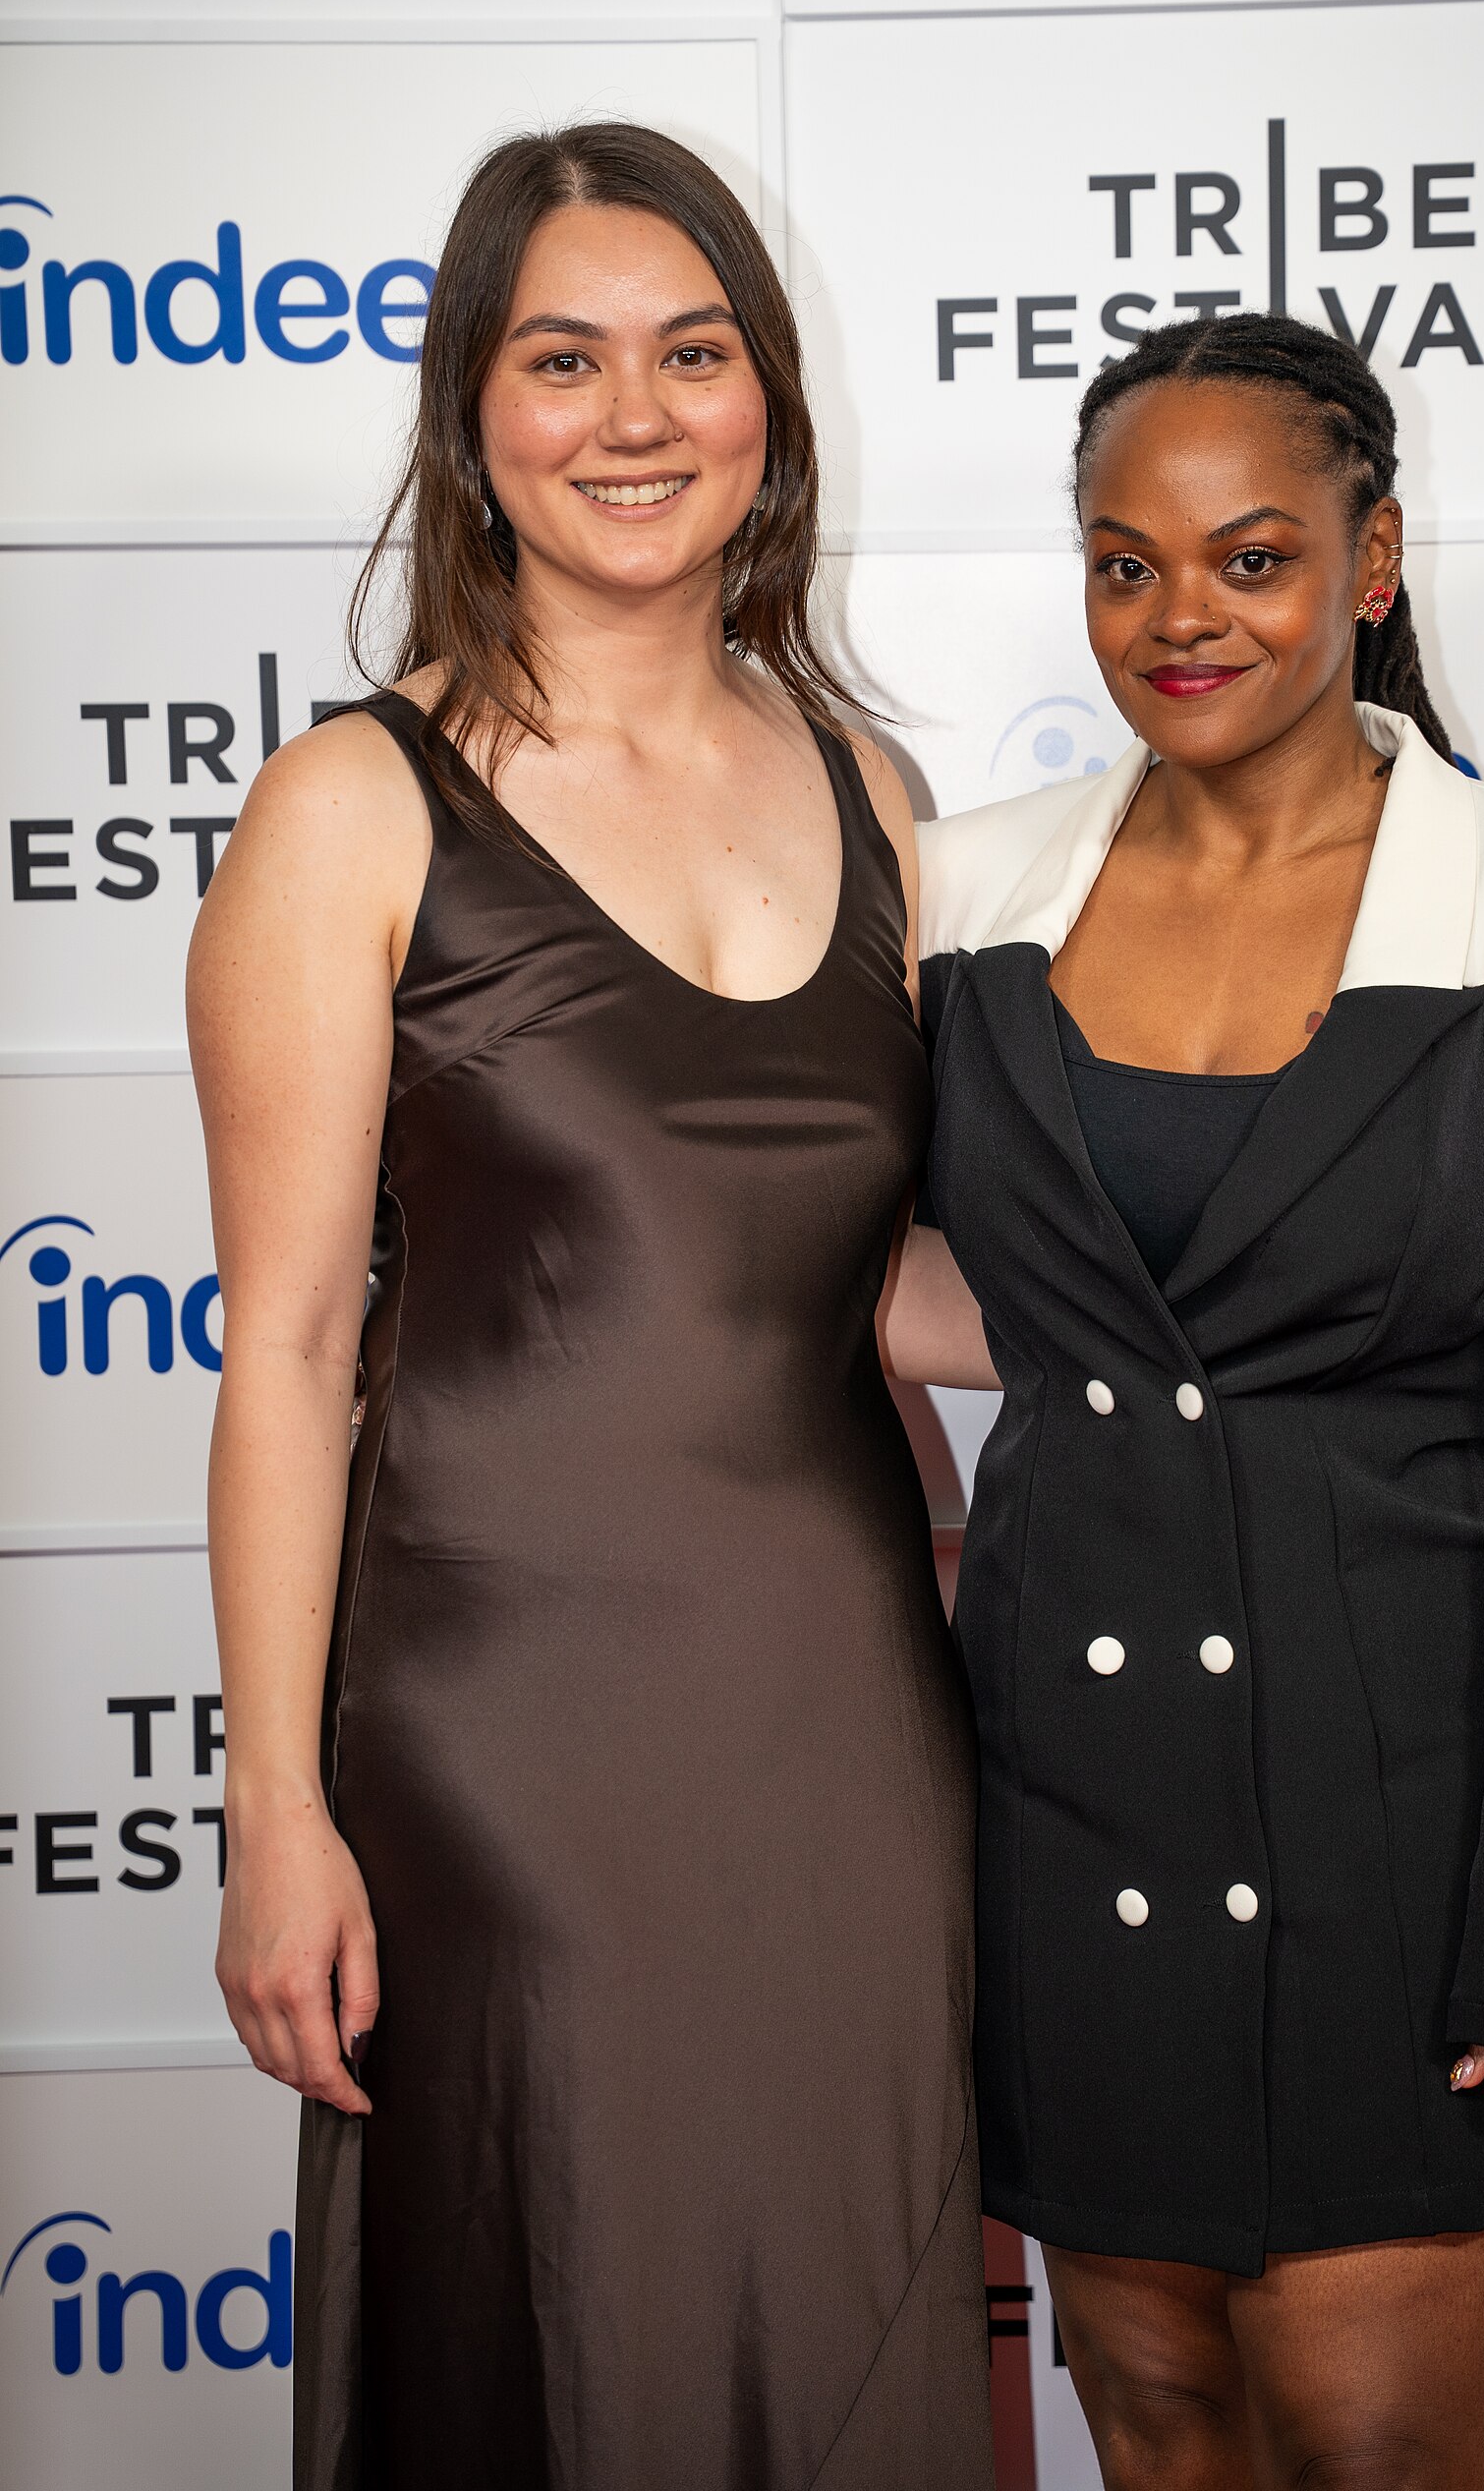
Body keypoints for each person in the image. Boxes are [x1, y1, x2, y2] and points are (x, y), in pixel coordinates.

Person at [188, 122, 992, 2491]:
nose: (635, 418)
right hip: (498, 1741)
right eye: (565, 360)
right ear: (470, 411)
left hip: (848, 1727)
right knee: (560, 2345)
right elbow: (289, 1352)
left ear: (770, 405)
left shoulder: (873, 783)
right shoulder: (352, 800)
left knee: (844, 2332)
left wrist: (1235, 1297)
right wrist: (271, 1810)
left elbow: (877, 1288)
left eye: (692, 353)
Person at [893, 312, 1484, 2489]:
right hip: (1070, 1803)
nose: (1182, 619)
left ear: (1373, 562)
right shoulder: (963, 902)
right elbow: (901, 1289)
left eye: (1251, 558)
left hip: (1405, 1841)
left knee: (1371, 2450)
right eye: (1122, 562)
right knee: (1152, 2424)